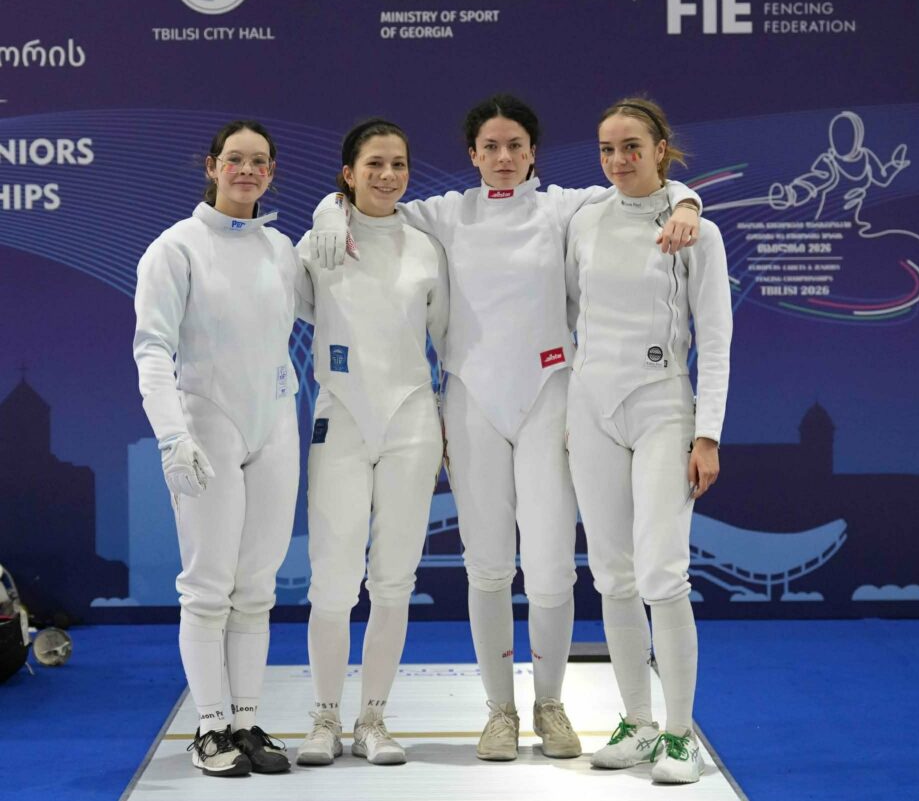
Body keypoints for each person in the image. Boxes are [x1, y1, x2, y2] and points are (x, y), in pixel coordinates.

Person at [311, 95, 702, 762]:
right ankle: (499, 710)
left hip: (550, 396)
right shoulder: (445, 213)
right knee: (488, 564)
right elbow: (371, 207)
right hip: (472, 403)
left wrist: (688, 202)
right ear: (472, 154)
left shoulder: (566, 209)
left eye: (515, 145)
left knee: (550, 567)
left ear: (533, 153)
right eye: (489, 146)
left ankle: (550, 704)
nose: (502, 157)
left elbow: (646, 193)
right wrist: (327, 208)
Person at [133, 121, 310, 777]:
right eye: (235, 159)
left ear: (272, 172)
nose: (246, 170)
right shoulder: (175, 248)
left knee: (256, 586)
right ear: (211, 166)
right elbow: (153, 348)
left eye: (259, 161)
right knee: (208, 587)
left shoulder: (280, 249)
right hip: (206, 425)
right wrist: (172, 434)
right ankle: (208, 727)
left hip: (275, 424)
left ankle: (245, 720)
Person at [564, 97, 732, 785]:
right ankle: (637, 722)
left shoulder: (699, 233)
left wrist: (707, 434)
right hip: (591, 408)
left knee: (662, 573)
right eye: (607, 148)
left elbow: (715, 340)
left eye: (632, 146)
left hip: (663, 406)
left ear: (661, 148)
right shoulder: (584, 219)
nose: (618, 160)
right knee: (612, 574)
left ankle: (679, 735)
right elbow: (572, 312)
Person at [295, 119, 448, 767]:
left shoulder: (426, 249)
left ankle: (373, 720)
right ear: (348, 173)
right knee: (333, 579)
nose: (388, 175)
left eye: (399, 164)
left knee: (394, 579)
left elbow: (445, 340)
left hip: (412, 420)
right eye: (374, 164)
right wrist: (326, 212)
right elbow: (297, 310)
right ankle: (324, 718)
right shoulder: (317, 244)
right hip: (342, 417)